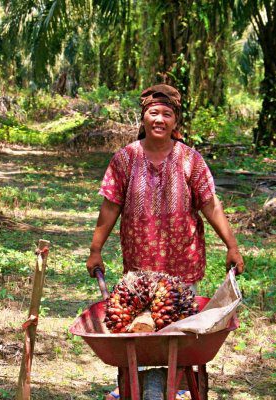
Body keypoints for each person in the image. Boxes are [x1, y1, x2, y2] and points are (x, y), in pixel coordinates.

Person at [85, 84, 245, 400]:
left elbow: (210, 204)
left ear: (176, 121)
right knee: (141, 329)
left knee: (181, 333)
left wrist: (232, 245)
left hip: (182, 267)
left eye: (167, 114)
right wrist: (95, 250)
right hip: (140, 271)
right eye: (153, 113)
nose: (159, 119)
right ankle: (137, 382)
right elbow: (111, 205)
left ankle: (182, 386)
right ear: (143, 117)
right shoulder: (126, 158)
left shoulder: (190, 160)